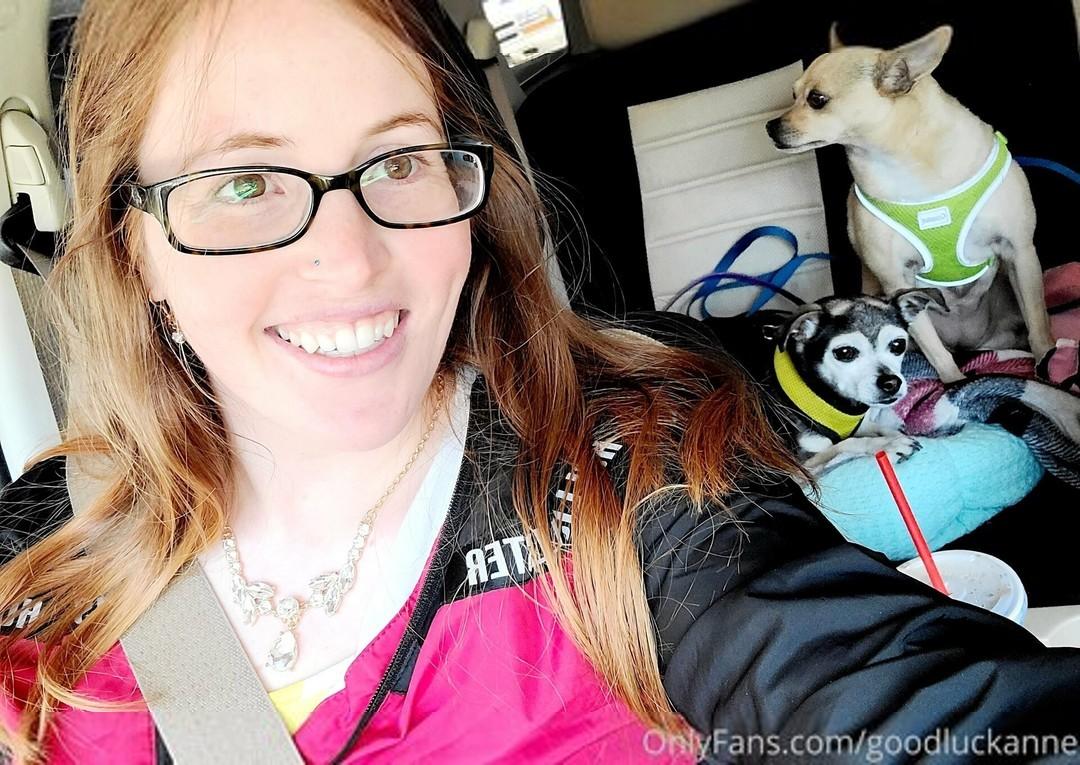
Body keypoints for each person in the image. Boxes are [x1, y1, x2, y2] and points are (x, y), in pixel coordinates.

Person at [2, 1, 1079, 763]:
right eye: (244, 181)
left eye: (400, 161)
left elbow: (915, 701)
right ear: (130, 239)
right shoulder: (40, 544)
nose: (350, 260)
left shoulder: (633, 481)